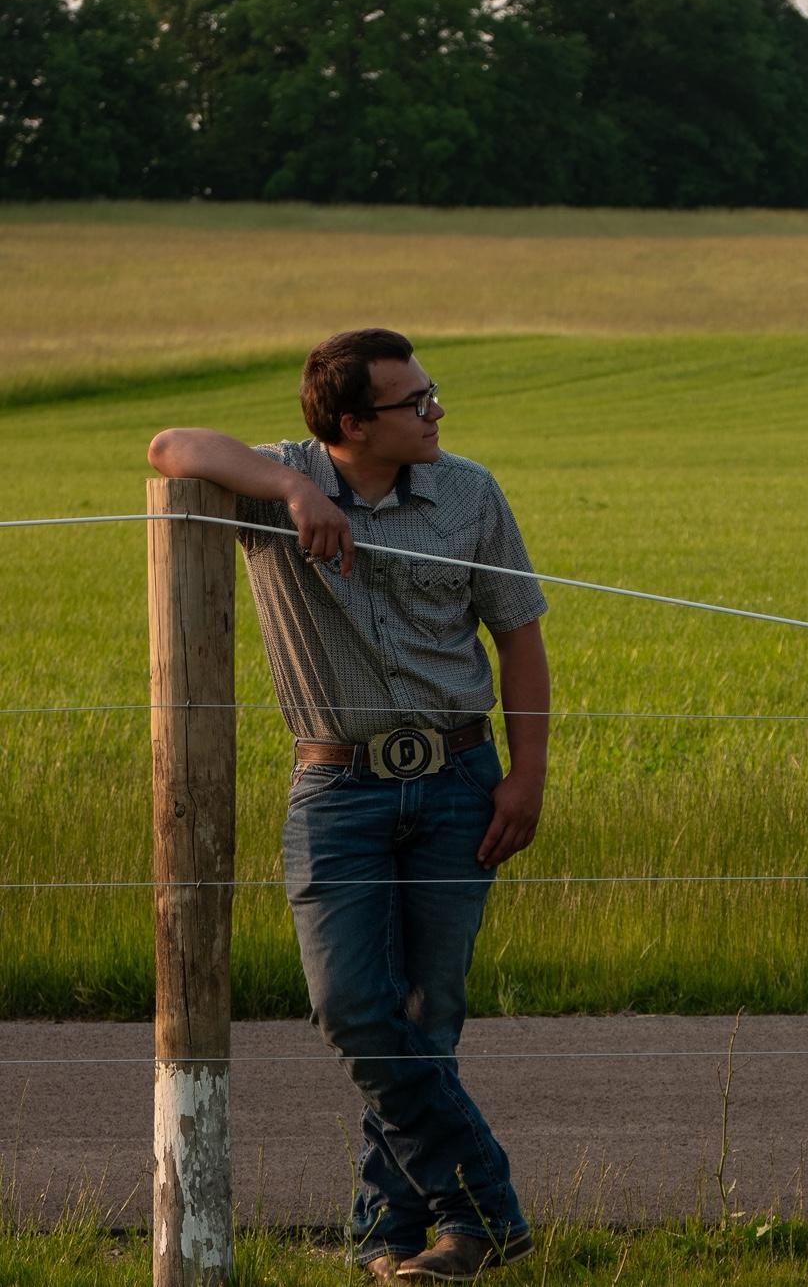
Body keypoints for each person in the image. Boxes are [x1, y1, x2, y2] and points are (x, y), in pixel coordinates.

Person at [148, 328, 549, 1283]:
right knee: (355, 1009)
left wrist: (527, 776)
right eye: (415, 402)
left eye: (431, 392)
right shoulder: (273, 483)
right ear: (352, 424)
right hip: (337, 789)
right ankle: (482, 1209)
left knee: (427, 1017)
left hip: (459, 777)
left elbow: (519, 639)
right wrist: (295, 493)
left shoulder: (470, 493)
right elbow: (171, 446)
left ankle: (397, 1238)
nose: (437, 411)